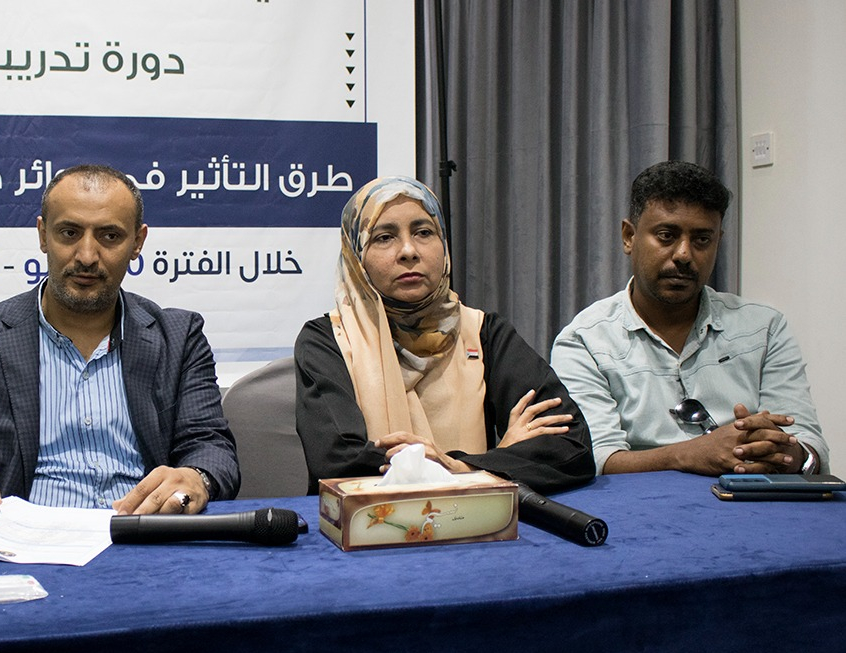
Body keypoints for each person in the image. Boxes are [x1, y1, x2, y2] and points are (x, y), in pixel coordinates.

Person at [0, 164, 239, 518]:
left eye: (109, 236)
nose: (86, 256)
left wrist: (197, 477)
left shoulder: (178, 337)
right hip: (23, 538)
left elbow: (211, 449)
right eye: (69, 233)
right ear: (42, 235)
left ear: (137, 243)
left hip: (143, 531)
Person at [294, 176, 594, 494]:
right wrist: (494, 463)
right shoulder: (328, 340)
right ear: (356, 256)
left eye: (424, 232)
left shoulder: (484, 333)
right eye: (384, 237)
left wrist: (463, 468)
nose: (408, 251)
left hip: (475, 521)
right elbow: (339, 463)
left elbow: (572, 447)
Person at [551, 160, 828, 476]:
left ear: (718, 241)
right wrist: (688, 455)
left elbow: (811, 447)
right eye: (666, 236)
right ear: (629, 237)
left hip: (753, 500)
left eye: (702, 240)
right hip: (639, 504)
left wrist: (788, 452)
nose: (684, 254)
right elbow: (596, 460)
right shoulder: (585, 341)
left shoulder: (764, 329)